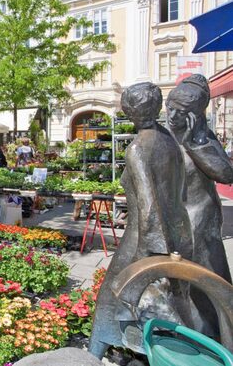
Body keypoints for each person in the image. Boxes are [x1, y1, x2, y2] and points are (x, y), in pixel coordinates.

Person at [89, 82, 193, 359]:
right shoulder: (169, 140)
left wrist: (150, 256)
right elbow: (179, 190)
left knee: (114, 301)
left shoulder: (138, 148)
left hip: (145, 236)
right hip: (179, 229)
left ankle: (93, 355)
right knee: (174, 301)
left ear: (130, 111)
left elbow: (148, 207)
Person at [166, 74, 233, 337]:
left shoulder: (204, 138)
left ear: (195, 114)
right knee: (178, 281)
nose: (172, 115)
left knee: (210, 279)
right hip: (174, 217)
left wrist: (194, 143)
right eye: (170, 107)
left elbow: (226, 174)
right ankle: (189, 332)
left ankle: (221, 333)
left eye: (180, 112)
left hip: (200, 219)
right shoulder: (164, 135)